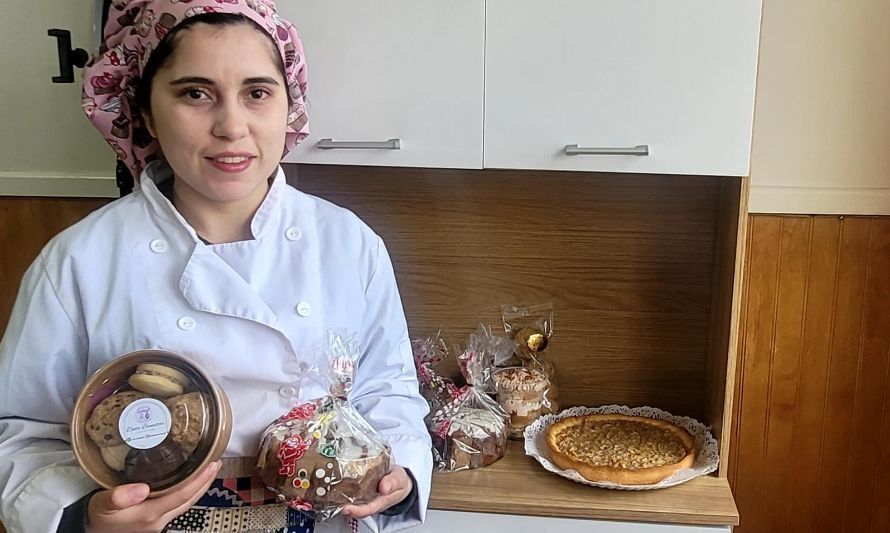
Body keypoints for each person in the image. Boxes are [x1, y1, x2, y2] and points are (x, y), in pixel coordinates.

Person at [0, 1, 432, 532]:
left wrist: (401, 474)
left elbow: (387, 389)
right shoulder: (80, 261)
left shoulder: (348, 243)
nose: (232, 126)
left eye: (257, 93)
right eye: (195, 93)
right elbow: (22, 431)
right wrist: (83, 518)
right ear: (145, 111)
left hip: (322, 518)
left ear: (288, 105)